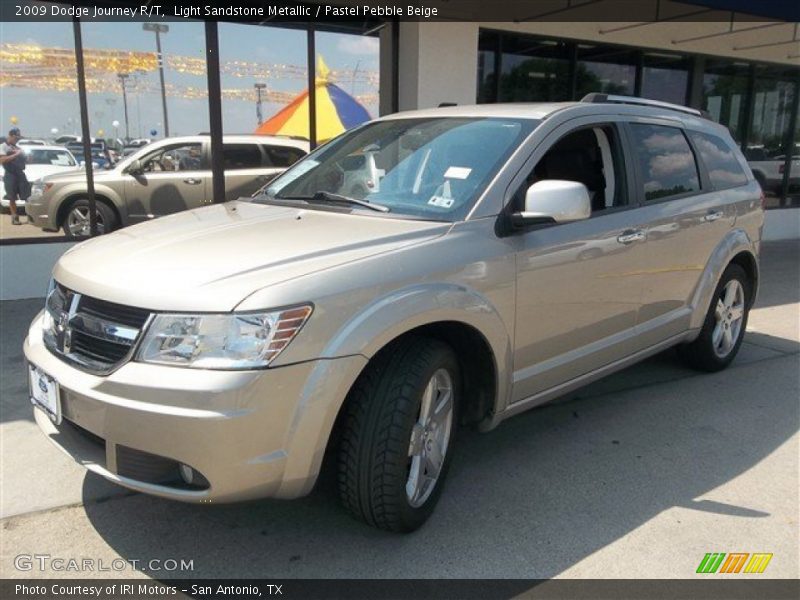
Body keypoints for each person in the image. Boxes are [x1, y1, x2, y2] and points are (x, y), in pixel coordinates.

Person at [0, 127, 30, 225]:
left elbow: (25, 161)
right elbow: (2, 160)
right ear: (11, 136)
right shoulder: (3, 146)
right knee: (12, 197)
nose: (17, 140)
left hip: (20, 174)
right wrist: (16, 155)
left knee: (27, 196)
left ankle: (30, 215)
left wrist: (27, 158)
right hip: (10, 174)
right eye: (16, 138)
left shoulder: (18, 148)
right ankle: (15, 217)